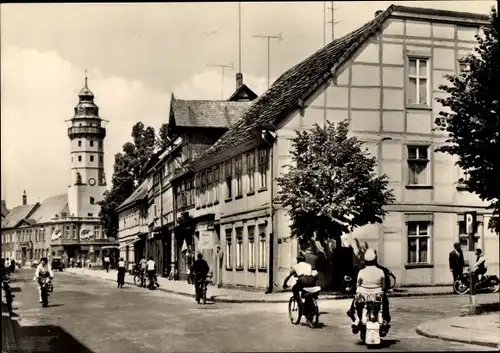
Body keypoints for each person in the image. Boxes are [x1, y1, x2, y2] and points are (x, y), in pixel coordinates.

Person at [347, 249, 390, 333]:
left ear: (365, 260)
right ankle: (385, 321)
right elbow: (384, 286)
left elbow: (358, 284)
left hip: (363, 295)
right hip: (377, 295)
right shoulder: (380, 271)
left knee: (354, 306)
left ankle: (356, 320)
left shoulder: (361, 272)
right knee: (385, 304)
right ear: (375, 259)